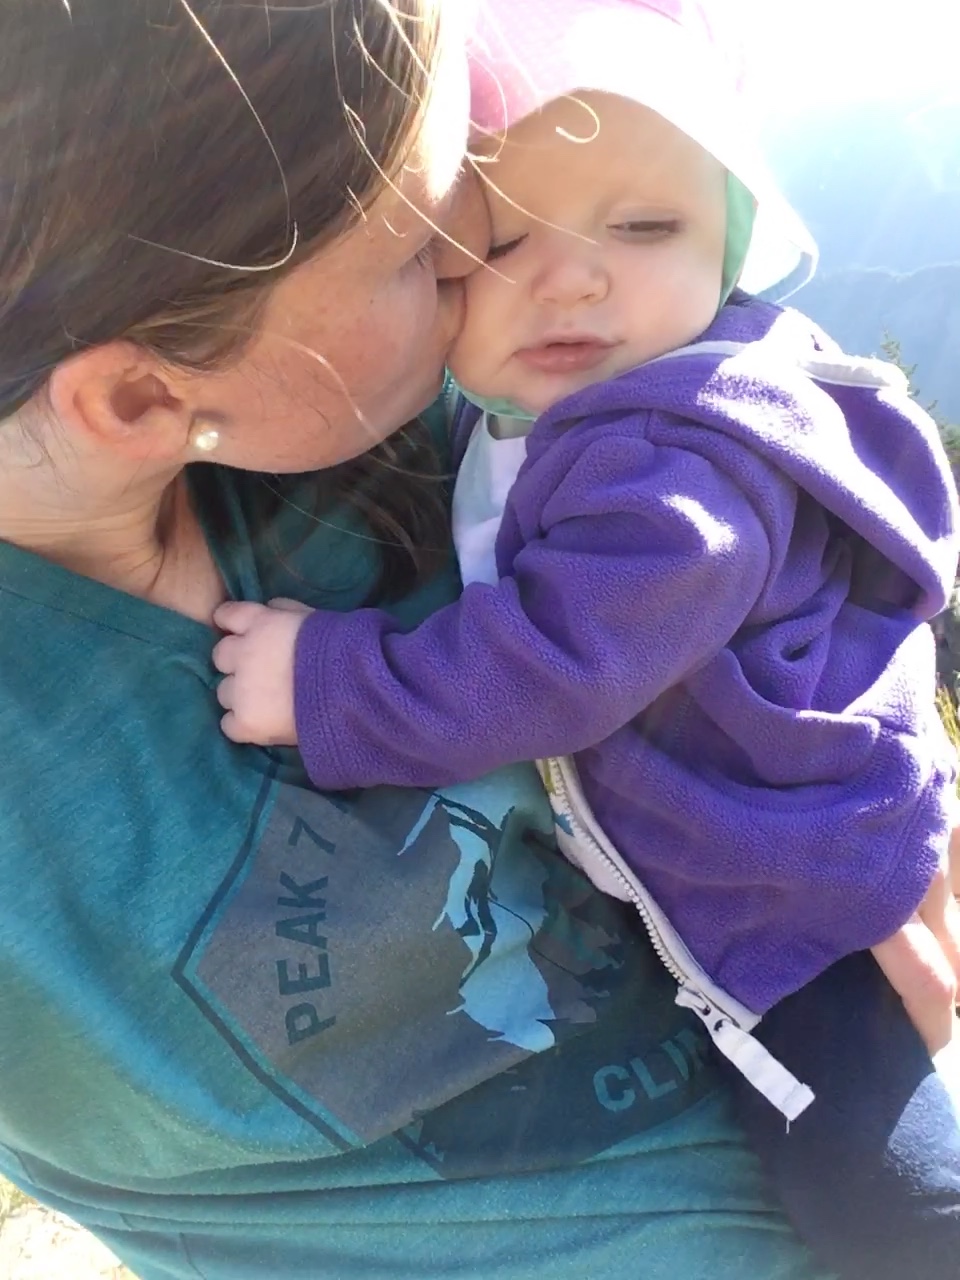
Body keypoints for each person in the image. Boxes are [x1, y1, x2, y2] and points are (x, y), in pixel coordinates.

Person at [212, 2, 960, 1277]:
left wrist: (330, 679)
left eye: (645, 225)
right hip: (767, 835)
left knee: (877, 1175)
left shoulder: (678, 467)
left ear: (731, 244)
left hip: (795, 897)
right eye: (498, 239)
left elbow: (554, 663)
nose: (569, 277)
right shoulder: (558, 404)